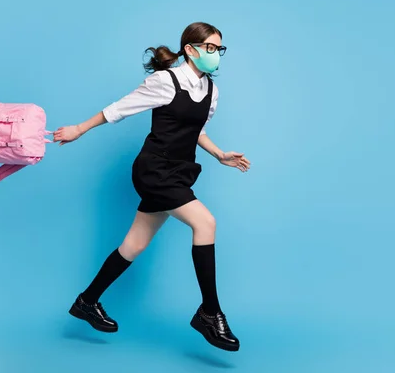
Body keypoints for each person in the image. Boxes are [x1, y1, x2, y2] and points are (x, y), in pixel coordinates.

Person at [53, 22, 250, 352]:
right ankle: (210, 312)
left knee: (135, 244)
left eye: (220, 50)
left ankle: (87, 301)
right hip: (155, 170)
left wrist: (219, 155)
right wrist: (78, 129)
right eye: (211, 49)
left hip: (179, 171)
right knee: (206, 223)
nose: (217, 56)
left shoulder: (211, 91)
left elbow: (194, 130)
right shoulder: (165, 81)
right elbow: (118, 108)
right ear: (190, 49)